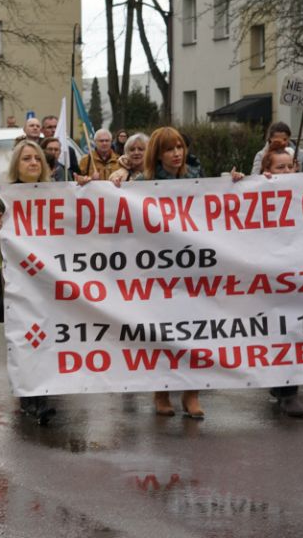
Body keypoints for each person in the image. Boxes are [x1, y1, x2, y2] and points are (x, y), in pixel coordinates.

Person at [132, 127, 205, 419]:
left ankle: (191, 393)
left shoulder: (198, 179)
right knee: (161, 334)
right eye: (169, 149)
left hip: (193, 269)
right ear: (157, 154)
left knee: (195, 331)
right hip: (157, 270)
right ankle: (161, 392)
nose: (177, 154)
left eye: (179, 148)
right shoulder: (143, 183)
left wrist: (237, 183)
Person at [0, 140, 56, 425]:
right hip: (16, 282)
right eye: (26, 159)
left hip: (48, 282)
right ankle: (32, 399)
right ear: (17, 165)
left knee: (46, 338)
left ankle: (42, 392)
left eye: (37, 159)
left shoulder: (56, 194)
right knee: (25, 339)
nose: (33, 163)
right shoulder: (3, 196)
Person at [258, 148, 303, 417]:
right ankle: (281, 385)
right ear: (268, 170)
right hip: (268, 274)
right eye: (280, 168)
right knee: (275, 330)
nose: (287, 173)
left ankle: (289, 391)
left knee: (295, 327)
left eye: (290, 167)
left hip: (296, 274)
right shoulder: (258, 191)